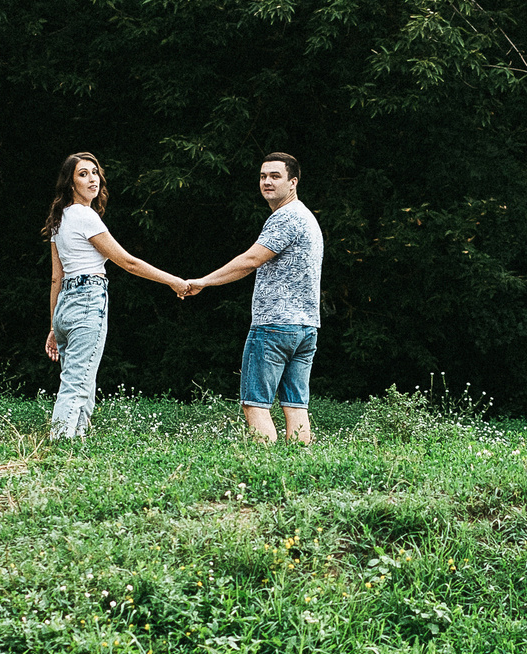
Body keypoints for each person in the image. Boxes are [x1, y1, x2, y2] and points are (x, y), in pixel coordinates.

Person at [41, 151, 191, 440]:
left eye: (95, 172)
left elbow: (56, 278)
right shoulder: (85, 216)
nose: (92, 179)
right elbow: (128, 262)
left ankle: (76, 441)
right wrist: (173, 281)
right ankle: (59, 443)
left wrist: (53, 325)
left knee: (83, 378)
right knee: (77, 382)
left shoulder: (60, 219)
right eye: (83, 174)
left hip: (65, 306)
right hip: (87, 299)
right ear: (70, 184)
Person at [185, 152, 322, 444]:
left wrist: (204, 281)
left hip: (274, 326)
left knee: (255, 403)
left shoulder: (285, 217)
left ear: (293, 182)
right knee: (296, 405)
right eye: (263, 176)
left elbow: (250, 260)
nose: (267, 182)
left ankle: (263, 465)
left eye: (275, 176)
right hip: (306, 328)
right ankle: (302, 465)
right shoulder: (307, 217)